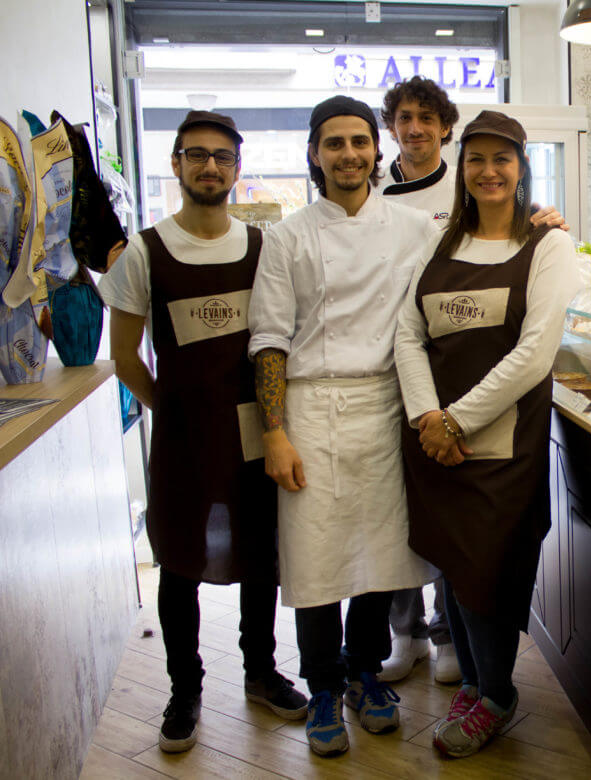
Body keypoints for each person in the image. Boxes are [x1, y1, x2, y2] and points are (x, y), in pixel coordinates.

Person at [99, 111, 308, 754]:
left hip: (256, 432)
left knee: (258, 555)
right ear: (177, 164)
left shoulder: (263, 247)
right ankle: (184, 689)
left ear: (237, 169)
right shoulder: (145, 250)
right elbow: (127, 355)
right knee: (181, 559)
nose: (210, 166)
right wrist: (170, 407)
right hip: (184, 437)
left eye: (222, 156)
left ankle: (259, 671)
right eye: (197, 155)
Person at [247, 95, 441, 758]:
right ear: (314, 154)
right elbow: (270, 336)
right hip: (310, 408)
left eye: (359, 142)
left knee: (381, 554)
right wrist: (274, 432)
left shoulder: (413, 228)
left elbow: (462, 271)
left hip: (385, 404)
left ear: (375, 149)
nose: (349, 155)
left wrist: (538, 223)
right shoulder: (289, 235)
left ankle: (365, 673)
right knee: (316, 557)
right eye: (335, 144)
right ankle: (324, 686)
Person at [395, 110, 580, 759]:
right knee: (451, 563)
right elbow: (407, 334)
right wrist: (426, 418)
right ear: (462, 168)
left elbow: (535, 353)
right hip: (434, 444)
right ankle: (473, 684)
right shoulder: (437, 243)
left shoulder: (548, 246)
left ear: (521, 166)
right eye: (477, 158)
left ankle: (497, 694)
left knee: (493, 570)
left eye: (503, 158)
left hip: (502, 448)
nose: (489, 170)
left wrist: (456, 419)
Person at [377, 75, 462, 685]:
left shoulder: (470, 189)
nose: (415, 128)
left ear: (445, 128)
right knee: (393, 510)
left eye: (426, 118)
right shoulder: (370, 191)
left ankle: (447, 633)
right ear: (392, 127)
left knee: (442, 505)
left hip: (449, 369)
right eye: (405, 117)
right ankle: (403, 635)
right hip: (383, 370)